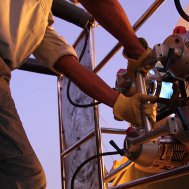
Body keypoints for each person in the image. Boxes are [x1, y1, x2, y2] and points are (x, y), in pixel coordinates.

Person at [0, 0, 157, 188]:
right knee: (25, 178)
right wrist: (137, 50)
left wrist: (120, 103)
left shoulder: (37, 21)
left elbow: (69, 66)